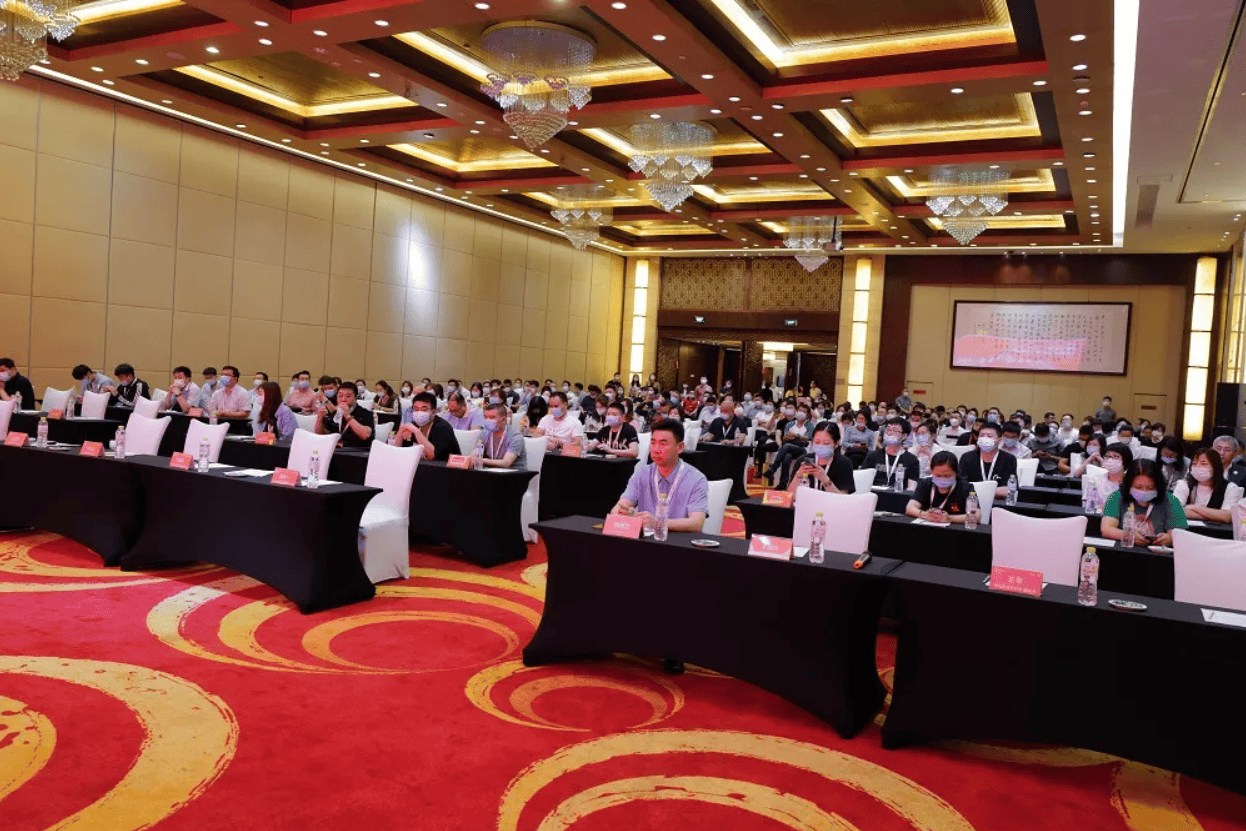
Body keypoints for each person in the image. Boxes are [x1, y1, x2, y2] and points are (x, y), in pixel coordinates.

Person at [612, 418, 709, 536]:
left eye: (663, 443)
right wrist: (624, 514)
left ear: (680, 447)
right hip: (646, 541)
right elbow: (617, 509)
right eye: (653, 443)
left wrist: (658, 523)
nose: (656, 449)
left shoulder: (696, 479)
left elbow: (697, 523)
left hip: (678, 542)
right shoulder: (642, 472)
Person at [1100, 460, 1188, 547]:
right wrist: (1128, 535)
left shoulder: (1171, 500)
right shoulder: (1116, 497)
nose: (1144, 491)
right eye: (1138, 487)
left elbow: (1180, 536)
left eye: (1150, 488)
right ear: (1128, 484)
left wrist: (1170, 539)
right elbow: (1106, 530)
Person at [1173, 448, 1242, 523]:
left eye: (1204, 464)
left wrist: (1193, 507)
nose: (1198, 467)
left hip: (1215, 529)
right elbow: (1174, 510)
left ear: (1215, 467)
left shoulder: (1230, 487)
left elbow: (1227, 516)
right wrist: (1214, 516)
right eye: (1194, 464)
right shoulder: (1184, 484)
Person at [786, 423, 854, 494]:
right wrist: (798, 475)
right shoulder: (803, 460)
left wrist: (825, 480)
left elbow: (843, 497)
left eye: (826, 443)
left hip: (829, 501)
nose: (821, 446)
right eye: (817, 442)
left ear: (836, 443)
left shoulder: (844, 463)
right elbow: (790, 494)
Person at [905, 452, 972, 523]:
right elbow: (909, 508)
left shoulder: (965, 487)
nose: (942, 479)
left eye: (946, 476)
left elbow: (976, 515)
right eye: (938, 476)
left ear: (955, 473)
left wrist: (949, 518)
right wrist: (925, 515)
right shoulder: (925, 483)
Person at [957, 422, 1017, 497]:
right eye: (982, 436)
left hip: (998, 500)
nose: (985, 439)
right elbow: (962, 485)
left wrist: (979, 491)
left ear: (1000, 439)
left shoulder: (1009, 459)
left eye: (989, 436)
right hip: (972, 499)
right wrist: (991, 491)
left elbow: (1009, 488)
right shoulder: (967, 457)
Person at [863, 418, 921, 490]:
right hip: (874, 493)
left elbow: (912, 488)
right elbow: (863, 480)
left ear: (904, 436)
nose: (890, 433)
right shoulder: (873, 456)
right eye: (888, 429)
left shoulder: (912, 460)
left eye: (895, 430)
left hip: (899, 494)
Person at [398, 391, 456, 460]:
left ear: (433, 412)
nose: (419, 412)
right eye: (416, 409)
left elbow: (433, 456)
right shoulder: (413, 425)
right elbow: (397, 451)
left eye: (424, 409)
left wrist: (417, 432)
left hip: (445, 465)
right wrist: (401, 429)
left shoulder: (443, 427)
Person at [770, 403, 816, 489]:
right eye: (800, 410)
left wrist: (796, 435)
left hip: (803, 448)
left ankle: (773, 467)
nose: (801, 413)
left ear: (807, 415)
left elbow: (808, 437)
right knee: (787, 457)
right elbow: (784, 437)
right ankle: (783, 484)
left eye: (804, 411)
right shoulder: (790, 424)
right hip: (791, 447)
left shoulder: (810, 425)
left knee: (786, 446)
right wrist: (787, 437)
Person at [315, 381, 373, 448]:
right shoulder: (335, 413)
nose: (343, 399)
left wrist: (347, 416)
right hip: (335, 450)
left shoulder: (365, 414)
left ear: (355, 398)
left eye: (348, 396)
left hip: (357, 451)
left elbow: (365, 435)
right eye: (340, 396)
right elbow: (321, 434)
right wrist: (319, 419)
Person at [479, 402, 526, 468]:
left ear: (503, 419)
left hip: (513, 472)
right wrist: (471, 458)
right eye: (485, 417)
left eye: (492, 417)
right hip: (491, 471)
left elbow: (506, 463)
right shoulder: (484, 432)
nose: (488, 420)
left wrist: (480, 460)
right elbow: (477, 452)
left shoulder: (515, 436)